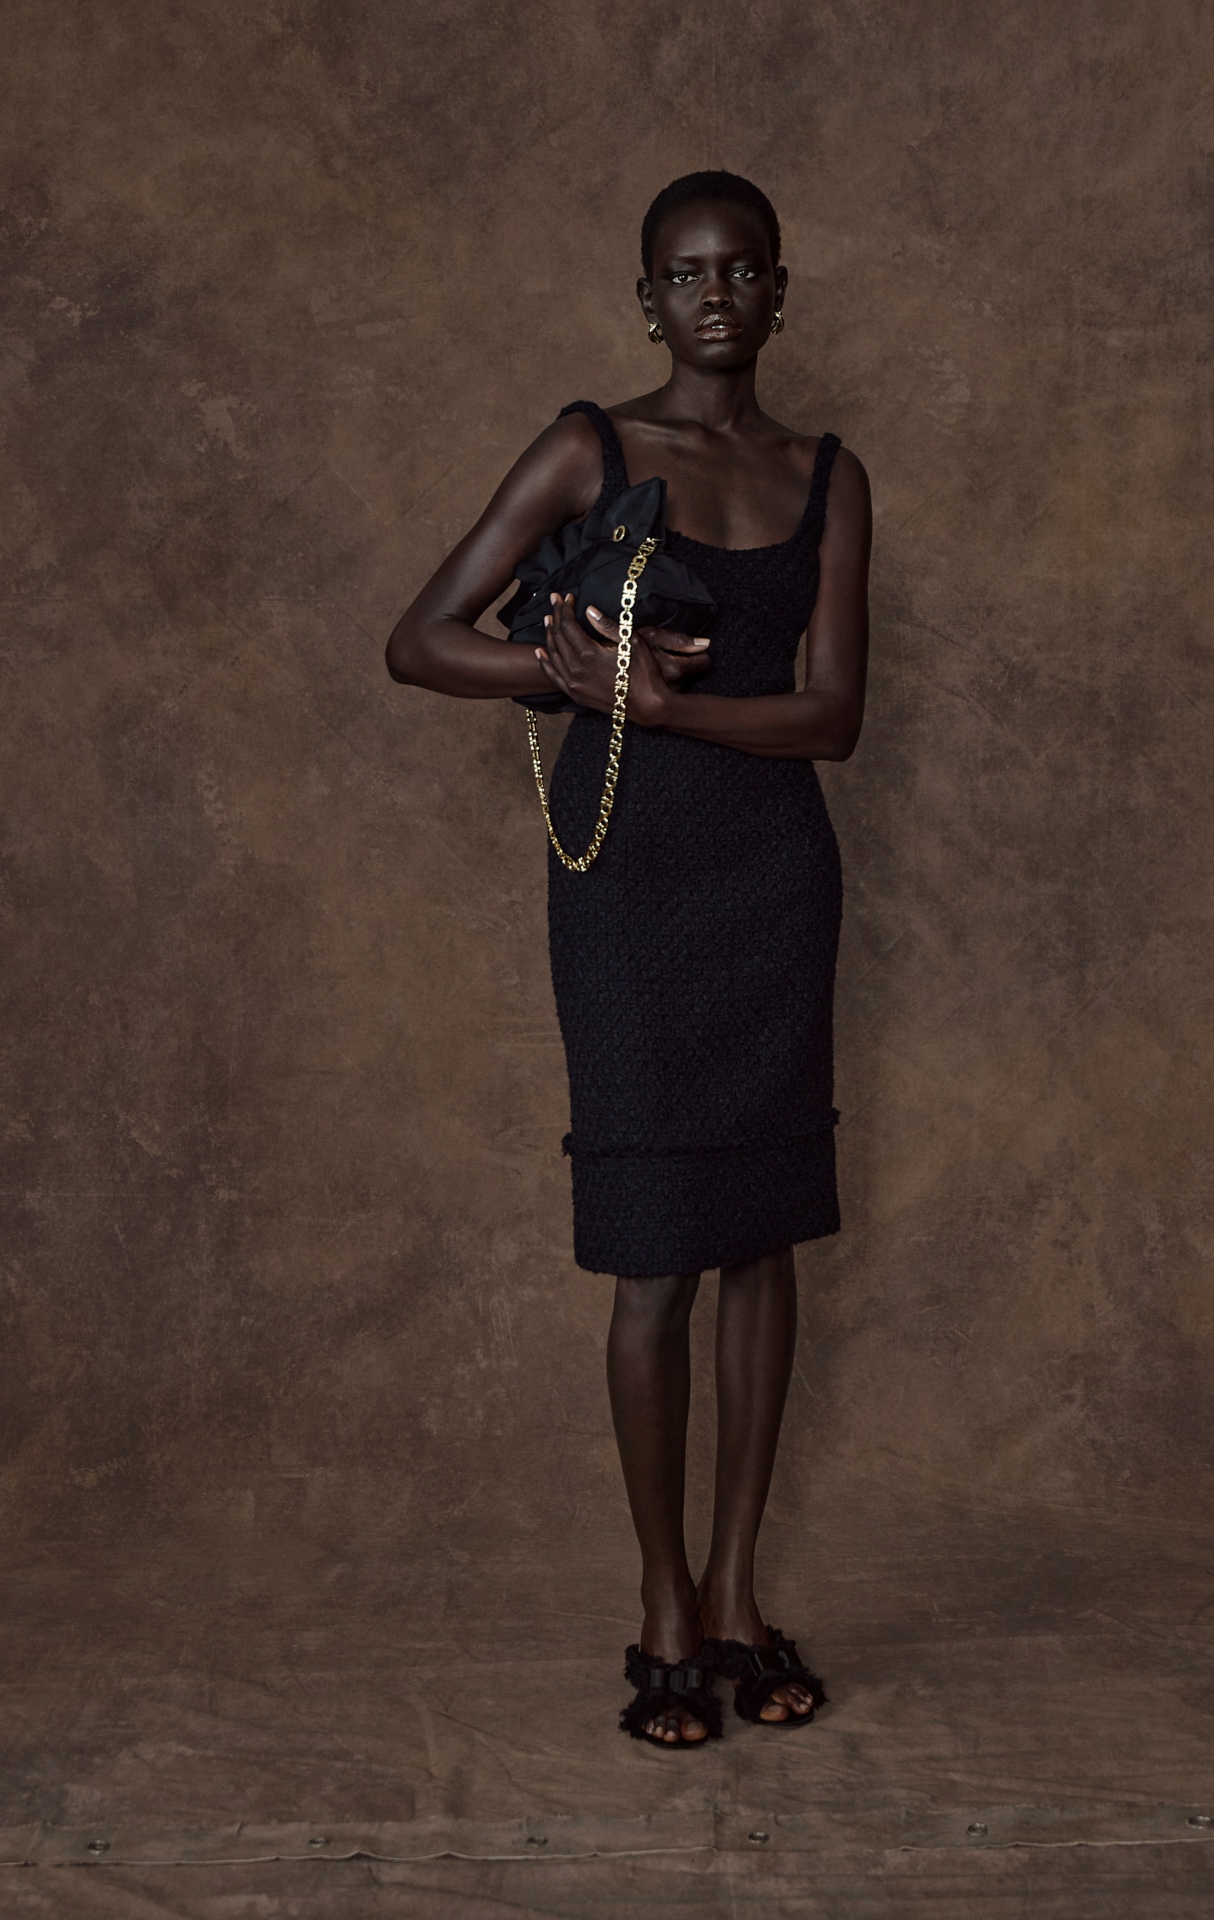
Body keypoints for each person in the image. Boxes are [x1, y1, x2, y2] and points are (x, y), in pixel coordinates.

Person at [386, 171, 871, 1746]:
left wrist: (672, 708)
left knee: (764, 1239)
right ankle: (662, 1603)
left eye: (743, 269)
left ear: (779, 290)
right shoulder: (589, 447)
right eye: (686, 272)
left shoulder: (826, 474)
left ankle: (736, 1594)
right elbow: (420, 638)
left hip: (775, 882)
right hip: (629, 886)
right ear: (646, 298)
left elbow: (832, 717)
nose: (716, 293)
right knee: (657, 1250)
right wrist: (576, 679)